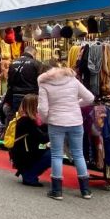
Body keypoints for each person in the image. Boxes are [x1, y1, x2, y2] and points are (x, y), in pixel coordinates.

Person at [37, 65, 95, 200]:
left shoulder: (44, 84)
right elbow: (90, 98)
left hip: (56, 122)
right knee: (78, 154)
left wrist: (47, 119)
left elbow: (43, 109)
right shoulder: (72, 80)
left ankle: (57, 191)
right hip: (75, 121)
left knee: (57, 155)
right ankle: (85, 190)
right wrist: (75, 104)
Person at [11, 94, 51, 187]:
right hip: (28, 152)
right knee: (52, 154)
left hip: (27, 150)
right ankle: (30, 175)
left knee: (50, 150)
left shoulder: (23, 118)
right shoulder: (27, 121)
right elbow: (41, 138)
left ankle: (29, 172)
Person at [3, 46, 42, 122]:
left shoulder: (13, 63)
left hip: (16, 96)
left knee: (18, 119)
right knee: (31, 119)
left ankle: (18, 133)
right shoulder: (36, 64)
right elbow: (40, 82)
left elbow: (10, 82)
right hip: (31, 98)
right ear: (34, 53)